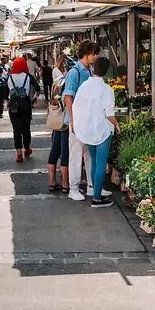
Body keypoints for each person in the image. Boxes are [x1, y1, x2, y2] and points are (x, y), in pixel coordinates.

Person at [64, 40, 110, 202]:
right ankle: (73, 188)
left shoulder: (90, 71)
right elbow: (68, 98)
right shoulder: (74, 73)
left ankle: (93, 187)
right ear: (87, 53)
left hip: (90, 120)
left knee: (90, 155)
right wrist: (73, 121)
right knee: (76, 154)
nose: (95, 56)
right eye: (94, 53)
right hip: (77, 120)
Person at [71, 56, 120, 208]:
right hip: (102, 130)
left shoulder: (84, 86)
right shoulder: (107, 89)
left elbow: (76, 107)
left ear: (93, 68)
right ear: (106, 71)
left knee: (93, 162)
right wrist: (117, 125)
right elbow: (109, 113)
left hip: (86, 130)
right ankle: (97, 198)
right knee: (100, 164)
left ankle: (94, 191)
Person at [7, 57, 36, 163]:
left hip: (13, 106)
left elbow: (7, 92)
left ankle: (19, 153)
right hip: (25, 105)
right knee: (26, 129)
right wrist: (34, 97)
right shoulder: (28, 76)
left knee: (16, 130)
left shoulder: (9, 77)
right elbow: (37, 87)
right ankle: (27, 149)